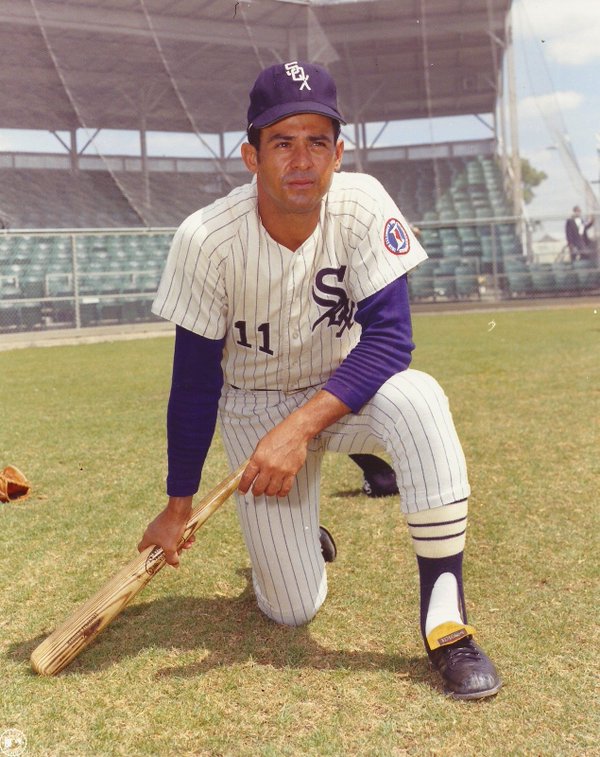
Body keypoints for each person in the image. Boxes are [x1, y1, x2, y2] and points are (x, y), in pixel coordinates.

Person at [138, 61, 501, 700]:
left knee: (420, 399)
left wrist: (302, 427)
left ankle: (446, 624)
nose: (301, 159)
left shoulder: (360, 202)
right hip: (254, 403)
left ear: (339, 152)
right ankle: (297, 539)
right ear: (250, 156)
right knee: (292, 607)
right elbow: (194, 386)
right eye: (282, 142)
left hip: (345, 388)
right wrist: (178, 507)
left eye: (317, 141)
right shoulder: (206, 239)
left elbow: (392, 339)